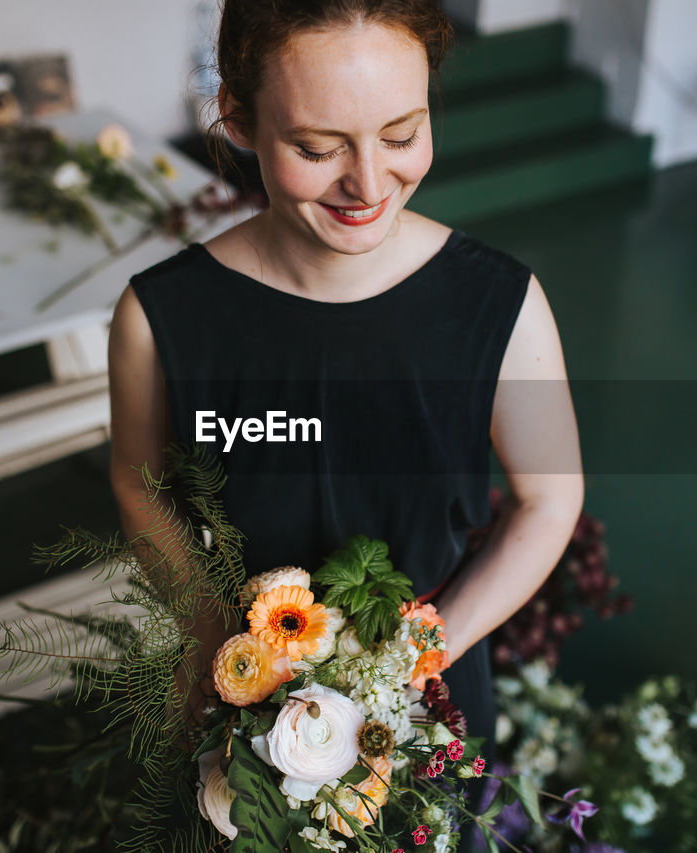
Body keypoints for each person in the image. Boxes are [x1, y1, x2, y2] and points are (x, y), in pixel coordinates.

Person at [106, 0, 583, 828]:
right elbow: (138, 481)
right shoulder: (162, 318)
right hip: (242, 684)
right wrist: (220, 637)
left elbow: (550, 498)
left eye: (402, 135)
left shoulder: (500, 304)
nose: (368, 184)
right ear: (239, 118)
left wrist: (419, 655)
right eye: (317, 148)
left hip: (433, 684)